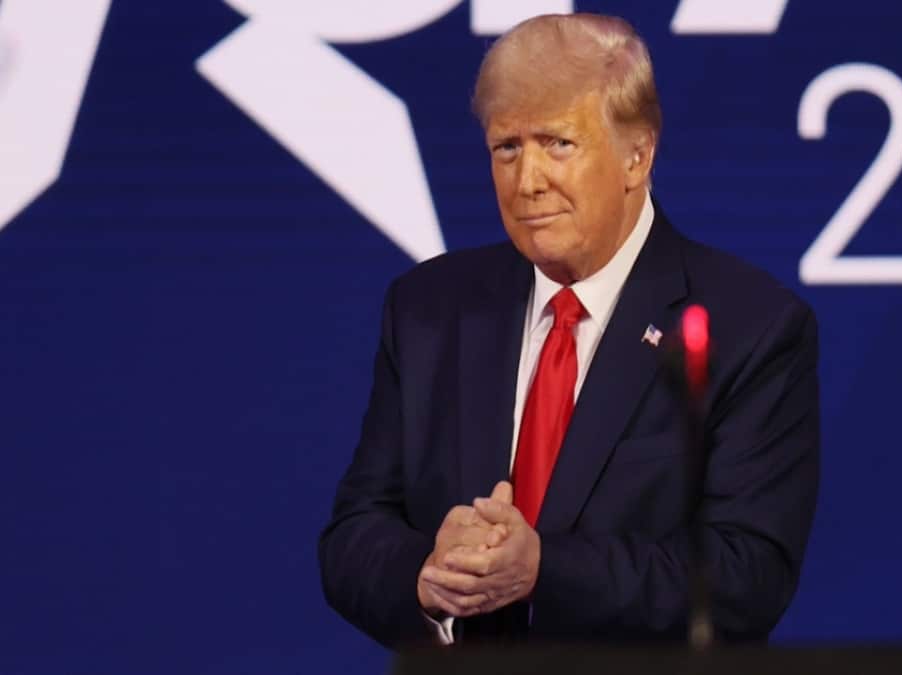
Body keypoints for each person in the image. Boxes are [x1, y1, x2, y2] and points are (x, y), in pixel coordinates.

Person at [318, 12, 819, 646]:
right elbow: (354, 535)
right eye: (507, 147)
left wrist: (544, 569)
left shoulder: (748, 328)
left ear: (637, 155)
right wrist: (428, 574)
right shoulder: (429, 310)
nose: (528, 181)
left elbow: (746, 577)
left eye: (558, 143)